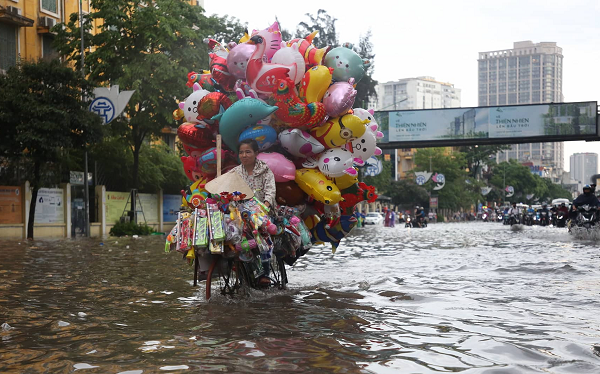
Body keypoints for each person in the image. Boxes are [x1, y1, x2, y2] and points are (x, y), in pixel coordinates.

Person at [232, 138, 276, 286]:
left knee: (262, 237)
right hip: (241, 214)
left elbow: (270, 191)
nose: (244, 155)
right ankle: (243, 269)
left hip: (262, 213)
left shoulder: (265, 170)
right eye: (241, 152)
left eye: (248, 152)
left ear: (256, 153)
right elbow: (229, 193)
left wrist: (264, 207)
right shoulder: (235, 173)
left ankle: (265, 273)